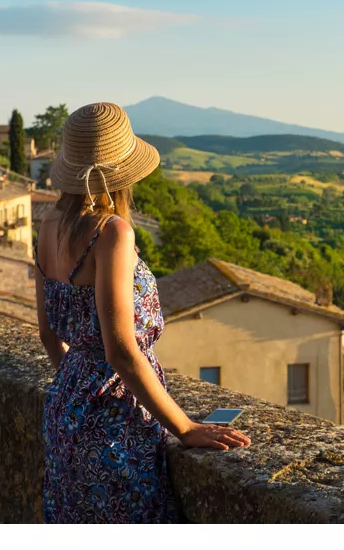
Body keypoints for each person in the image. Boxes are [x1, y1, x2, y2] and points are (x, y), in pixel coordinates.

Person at [34, 102, 250, 524]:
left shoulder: (47, 223)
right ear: (122, 174)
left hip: (64, 413)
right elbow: (122, 352)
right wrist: (184, 428)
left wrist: (79, 387)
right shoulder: (111, 232)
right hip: (116, 425)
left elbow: (47, 335)